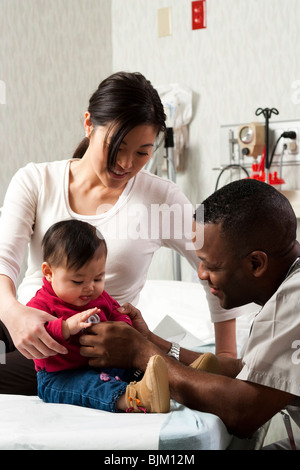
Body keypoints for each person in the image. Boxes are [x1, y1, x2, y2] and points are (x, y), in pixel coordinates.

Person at [0, 71, 241, 396]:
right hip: (28, 317)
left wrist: (226, 354)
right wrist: (14, 314)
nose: (126, 164)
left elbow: (216, 265)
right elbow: (4, 264)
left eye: (143, 152)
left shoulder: (161, 198)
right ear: (88, 124)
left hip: (89, 340)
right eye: (116, 146)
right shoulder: (34, 181)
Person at [79, 179, 300, 448]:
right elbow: (249, 369)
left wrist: (141, 354)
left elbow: (242, 410)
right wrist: (152, 342)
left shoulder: (293, 300)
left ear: (256, 263)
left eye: (210, 265)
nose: (201, 274)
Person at [28, 219, 170, 414]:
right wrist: (66, 327)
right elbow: (35, 334)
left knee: (138, 366)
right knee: (91, 387)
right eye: (78, 281)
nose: (89, 287)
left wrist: (124, 325)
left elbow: (116, 313)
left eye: (98, 278)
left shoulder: (99, 297)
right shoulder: (40, 305)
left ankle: (176, 377)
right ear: (49, 272)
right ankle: (135, 398)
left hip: (102, 365)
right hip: (59, 376)